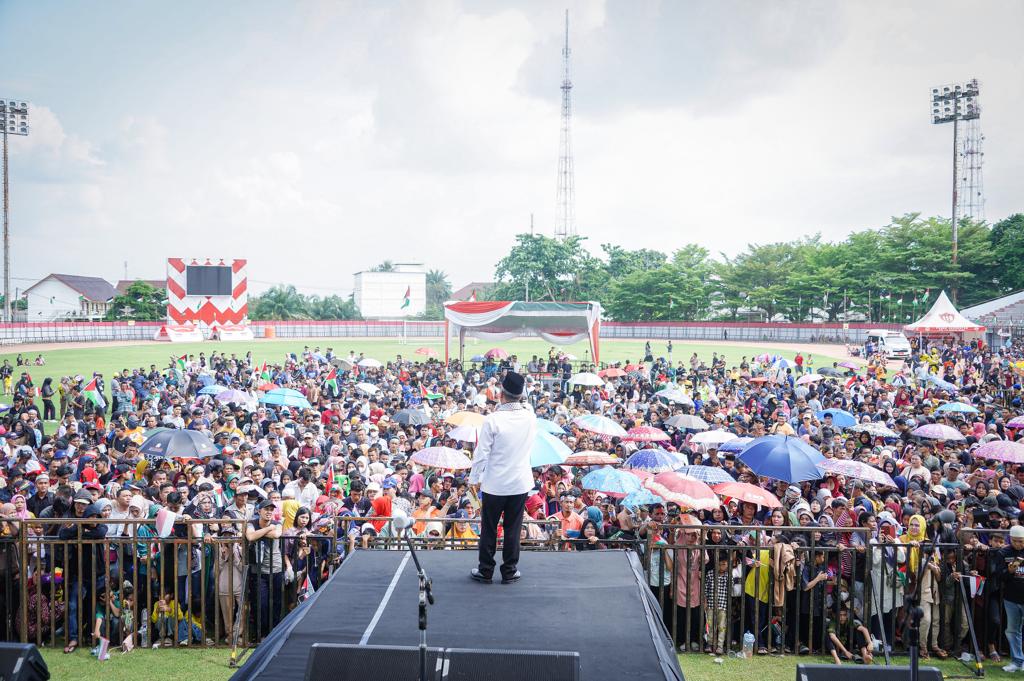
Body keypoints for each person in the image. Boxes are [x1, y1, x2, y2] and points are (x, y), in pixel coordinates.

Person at [468, 371, 535, 585]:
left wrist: (474, 479)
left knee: (489, 527)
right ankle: (509, 570)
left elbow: (481, 454)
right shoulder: (530, 417)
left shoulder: (493, 420)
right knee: (513, 528)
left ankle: (486, 570)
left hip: (495, 484)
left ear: (501, 394)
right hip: (519, 482)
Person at [992, 524, 1024, 672]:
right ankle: (1017, 661)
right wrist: (1009, 571)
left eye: (1022, 541)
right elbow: (999, 575)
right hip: (1011, 598)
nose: (1020, 544)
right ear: (1011, 539)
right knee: (1012, 630)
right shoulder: (1003, 553)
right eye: (1016, 541)